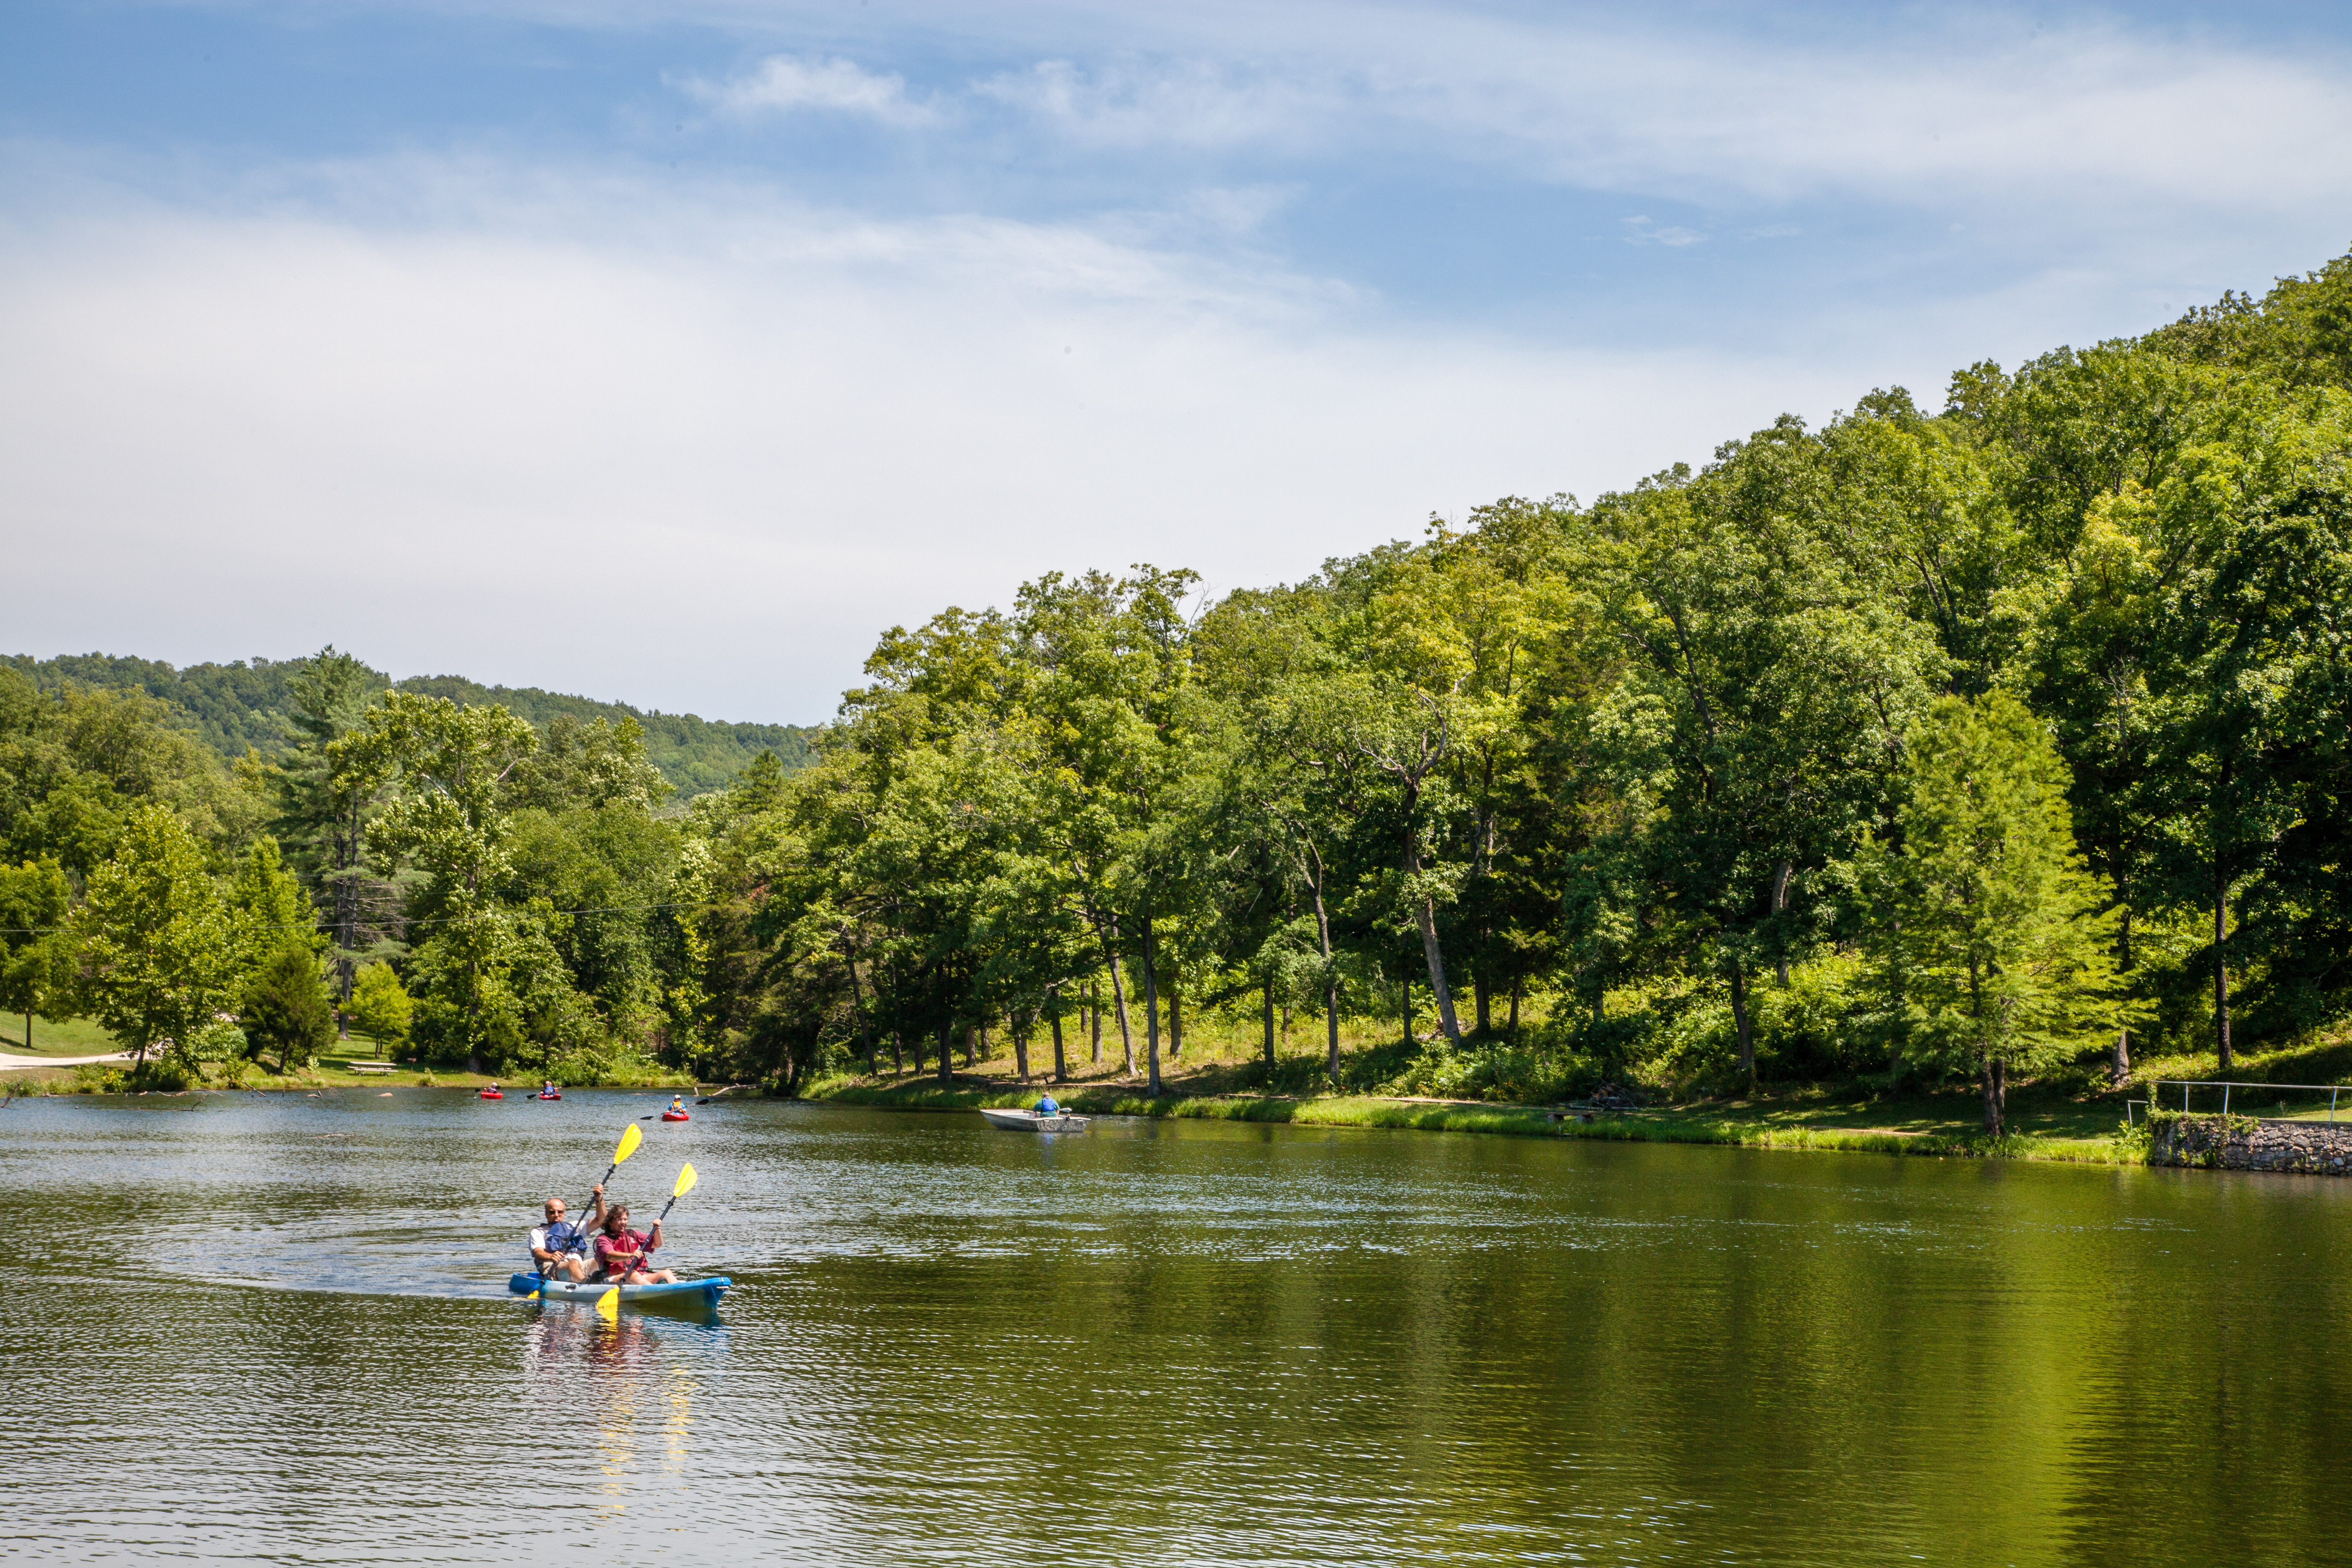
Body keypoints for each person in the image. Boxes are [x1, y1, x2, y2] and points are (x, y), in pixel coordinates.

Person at [528, 1186, 607, 1282]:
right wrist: (550, 1256)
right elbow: (537, 1252)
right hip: (554, 1268)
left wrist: (599, 1200)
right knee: (573, 1264)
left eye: (560, 1212)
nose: (556, 1215)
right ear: (546, 1214)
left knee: (602, 1259)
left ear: (564, 1213)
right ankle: (586, 1284)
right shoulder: (538, 1232)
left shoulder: (574, 1227)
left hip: (577, 1265)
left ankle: (609, 1281)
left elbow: (601, 1221)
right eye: (552, 1212)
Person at [594, 1204, 678, 1286]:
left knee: (667, 1273)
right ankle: (659, 1293)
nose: (623, 1222)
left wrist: (657, 1229)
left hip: (639, 1276)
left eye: (625, 1219)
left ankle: (679, 1292)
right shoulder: (603, 1239)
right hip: (613, 1278)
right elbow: (609, 1256)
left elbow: (657, 1244)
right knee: (632, 1275)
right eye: (619, 1219)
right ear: (610, 1222)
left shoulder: (632, 1234)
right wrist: (630, 1255)